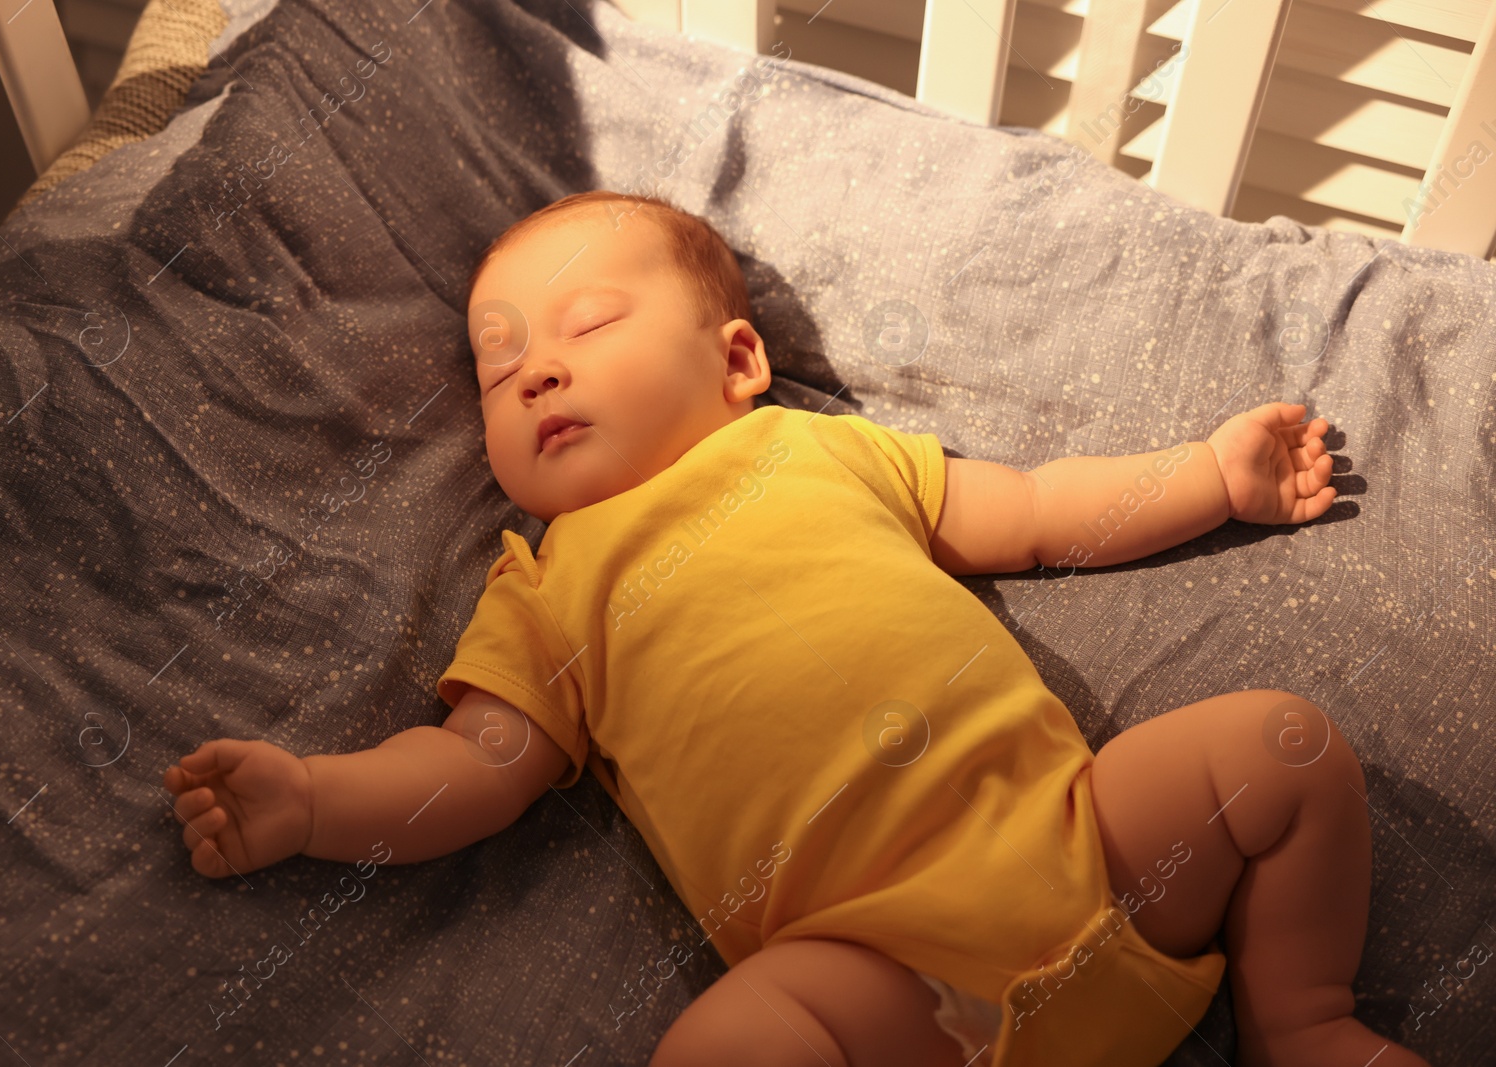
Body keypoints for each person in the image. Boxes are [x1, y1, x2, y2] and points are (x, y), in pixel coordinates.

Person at [164, 191, 1429, 1067]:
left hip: (1088, 851)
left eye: (588, 325)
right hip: (879, 975)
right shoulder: (546, 586)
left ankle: (1298, 1019)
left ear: (738, 362)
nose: (539, 370)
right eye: (502, 370)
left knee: (1283, 749)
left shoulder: (817, 450)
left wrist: (1213, 475)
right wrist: (314, 800)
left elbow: (1038, 511)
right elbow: (475, 767)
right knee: (727, 1042)